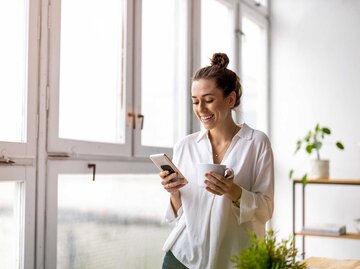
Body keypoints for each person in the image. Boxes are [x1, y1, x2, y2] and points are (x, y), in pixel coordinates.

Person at [159, 52, 274, 269]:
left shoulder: (256, 142)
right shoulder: (185, 146)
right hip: (183, 257)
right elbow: (180, 214)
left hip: (235, 259)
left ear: (230, 100)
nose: (200, 109)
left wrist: (234, 192)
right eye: (195, 101)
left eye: (209, 100)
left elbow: (265, 211)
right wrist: (174, 192)